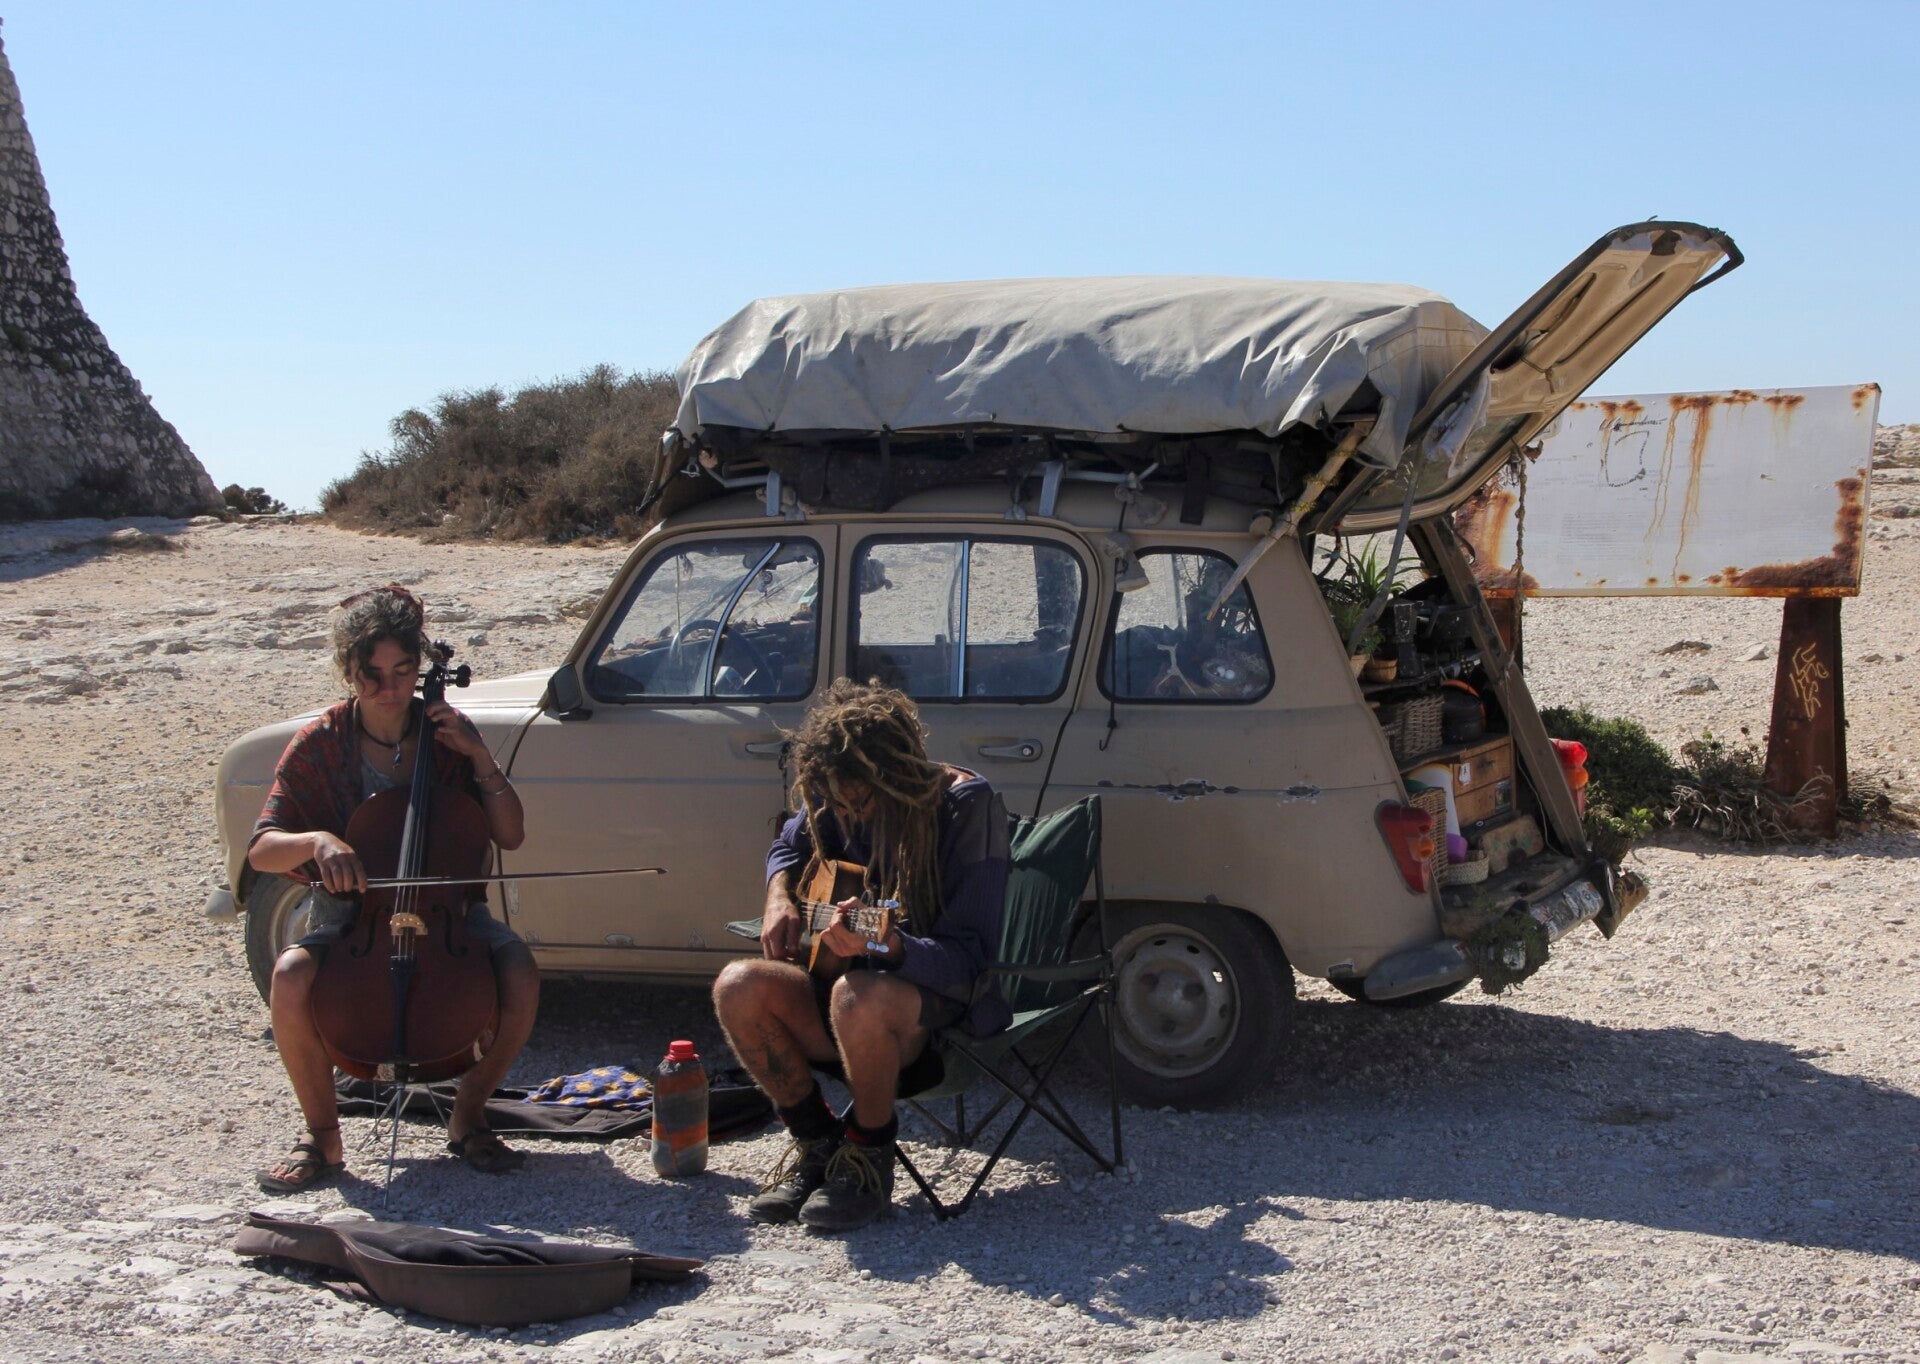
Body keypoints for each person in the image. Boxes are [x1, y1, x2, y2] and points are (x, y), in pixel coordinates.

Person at [248, 585, 540, 1193]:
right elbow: (262, 849)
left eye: (403, 671)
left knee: (518, 969)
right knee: (291, 976)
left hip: (450, 912)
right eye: (372, 675)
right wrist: (317, 842)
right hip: (351, 917)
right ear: (348, 672)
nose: (390, 688)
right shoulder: (322, 742)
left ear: (419, 668)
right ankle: (322, 1137)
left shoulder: (447, 734)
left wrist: (479, 756)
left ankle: (468, 1115)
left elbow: (511, 835)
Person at [713, 679, 1011, 1231]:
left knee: (858, 995)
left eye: (862, 803)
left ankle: (869, 1160)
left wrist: (891, 945)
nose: (848, 814)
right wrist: (779, 897)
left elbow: (968, 961)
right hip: (845, 1002)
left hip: (935, 1020)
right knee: (739, 985)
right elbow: (786, 845)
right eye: (837, 804)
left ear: (896, 776)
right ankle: (820, 1144)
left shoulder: (967, 807)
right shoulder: (837, 791)